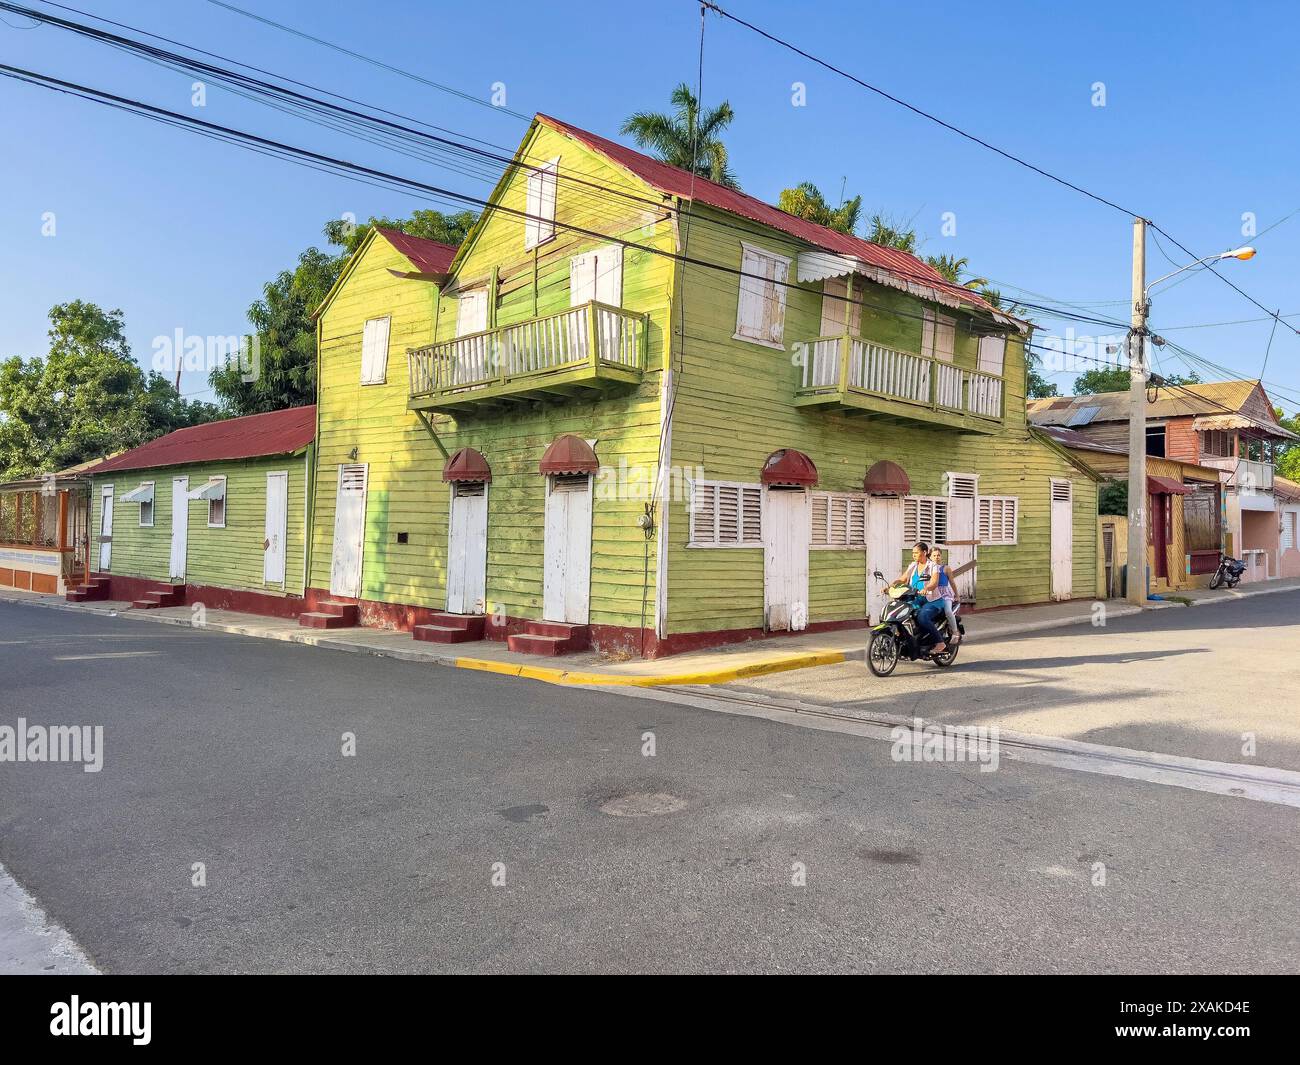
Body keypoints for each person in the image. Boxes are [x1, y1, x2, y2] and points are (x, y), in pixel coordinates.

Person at [893, 541, 946, 653]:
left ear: (925, 552)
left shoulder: (933, 566)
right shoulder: (913, 566)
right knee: (899, 614)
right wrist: (890, 587)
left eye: (916, 553)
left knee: (922, 617)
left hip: (932, 600)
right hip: (915, 599)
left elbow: (934, 582)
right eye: (913, 553)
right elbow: (902, 579)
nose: (914, 555)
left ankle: (940, 642)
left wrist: (926, 589)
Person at [928, 547, 960, 644]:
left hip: (945, 594)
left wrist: (957, 595)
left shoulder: (945, 568)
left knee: (948, 611)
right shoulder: (928, 568)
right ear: (930, 557)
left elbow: (952, 582)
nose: (937, 557)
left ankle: (955, 632)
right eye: (934, 555)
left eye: (938, 555)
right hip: (932, 594)